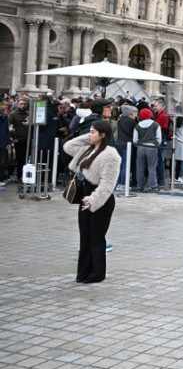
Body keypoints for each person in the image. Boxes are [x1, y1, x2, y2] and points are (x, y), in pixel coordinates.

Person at [63, 120, 122, 284]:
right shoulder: (86, 149)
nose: (89, 134)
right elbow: (68, 147)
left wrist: (94, 200)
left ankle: (97, 272)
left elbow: (108, 183)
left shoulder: (111, 155)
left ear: (103, 135)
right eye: (89, 131)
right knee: (84, 235)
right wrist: (89, 137)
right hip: (85, 195)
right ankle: (83, 272)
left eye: (93, 132)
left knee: (96, 236)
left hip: (100, 198)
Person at [133, 108, 161, 192]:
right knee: (152, 167)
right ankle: (152, 185)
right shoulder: (155, 125)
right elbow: (159, 138)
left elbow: (135, 139)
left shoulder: (138, 126)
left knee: (140, 167)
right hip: (152, 146)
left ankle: (140, 185)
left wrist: (138, 145)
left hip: (141, 147)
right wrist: (156, 144)